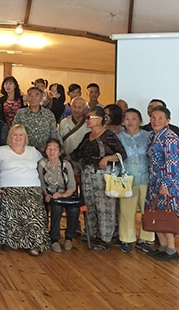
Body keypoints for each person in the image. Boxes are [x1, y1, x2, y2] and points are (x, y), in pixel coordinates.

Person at [71, 107, 127, 251]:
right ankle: (92, 233)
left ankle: (105, 237)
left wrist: (108, 158)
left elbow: (122, 154)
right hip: (87, 174)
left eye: (90, 117)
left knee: (105, 206)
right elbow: (76, 154)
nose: (87, 120)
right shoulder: (86, 136)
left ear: (100, 120)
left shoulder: (108, 135)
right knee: (89, 204)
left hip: (103, 174)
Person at [0, 124, 49, 256]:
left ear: (25, 137)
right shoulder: (1, 151)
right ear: (9, 137)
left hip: (32, 186)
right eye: (15, 135)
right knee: (12, 203)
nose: (18, 138)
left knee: (34, 207)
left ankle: (35, 243)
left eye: (21, 135)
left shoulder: (32, 151)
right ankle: (13, 241)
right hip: (8, 186)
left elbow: (45, 166)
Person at [146, 106, 179, 261]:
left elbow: (172, 163)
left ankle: (171, 249)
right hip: (154, 179)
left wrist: (166, 184)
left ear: (167, 120)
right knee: (156, 212)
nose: (156, 121)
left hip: (166, 182)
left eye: (160, 118)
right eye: (153, 117)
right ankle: (162, 246)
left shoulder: (170, 138)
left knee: (166, 214)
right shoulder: (153, 136)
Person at [117, 109, 154, 254]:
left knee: (147, 210)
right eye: (127, 118)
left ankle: (144, 239)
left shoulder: (148, 136)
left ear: (140, 120)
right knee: (126, 211)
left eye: (134, 118)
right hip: (127, 178)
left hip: (147, 177)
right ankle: (126, 239)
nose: (130, 121)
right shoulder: (119, 137)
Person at [38, 138, 78, 253]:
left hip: (65, 194)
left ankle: (69, 238)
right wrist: (45, 194)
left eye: (55, 149)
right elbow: (41, 183)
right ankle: (54, 239)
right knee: (56, 208)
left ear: (59, 151)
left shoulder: (66, 165)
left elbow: (72, 186)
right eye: (49, 148)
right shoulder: (42, 164)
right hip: (50, 195)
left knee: (74, 210)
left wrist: (63, 194)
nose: (52, 151)